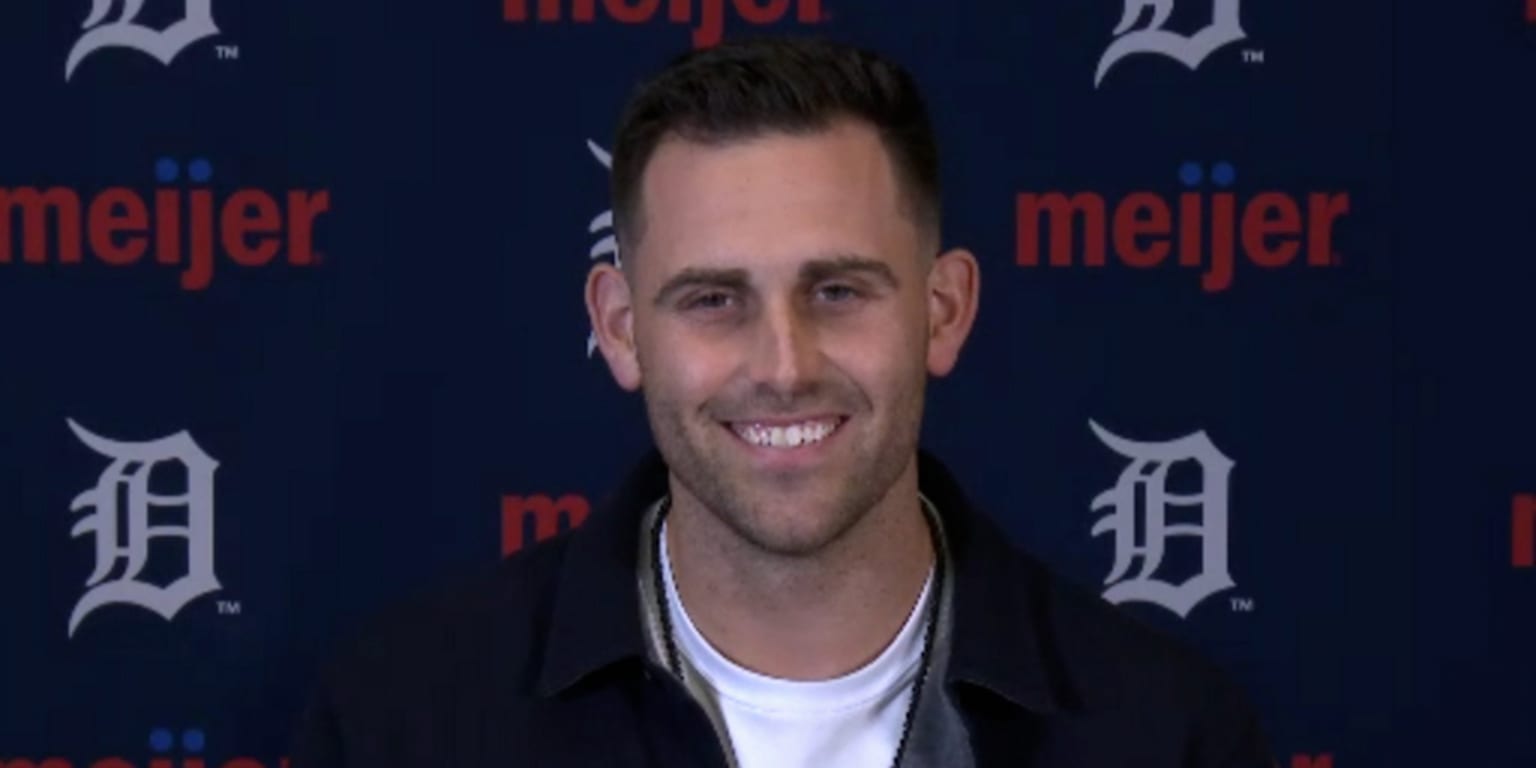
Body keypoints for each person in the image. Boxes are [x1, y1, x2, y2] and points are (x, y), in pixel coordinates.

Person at [292, 36, 1273, 768]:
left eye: (838, 291)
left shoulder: (1163, 734)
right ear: (623, 330)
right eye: (713, 300)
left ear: (943, 311)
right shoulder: (405, 722)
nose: (785, 363)